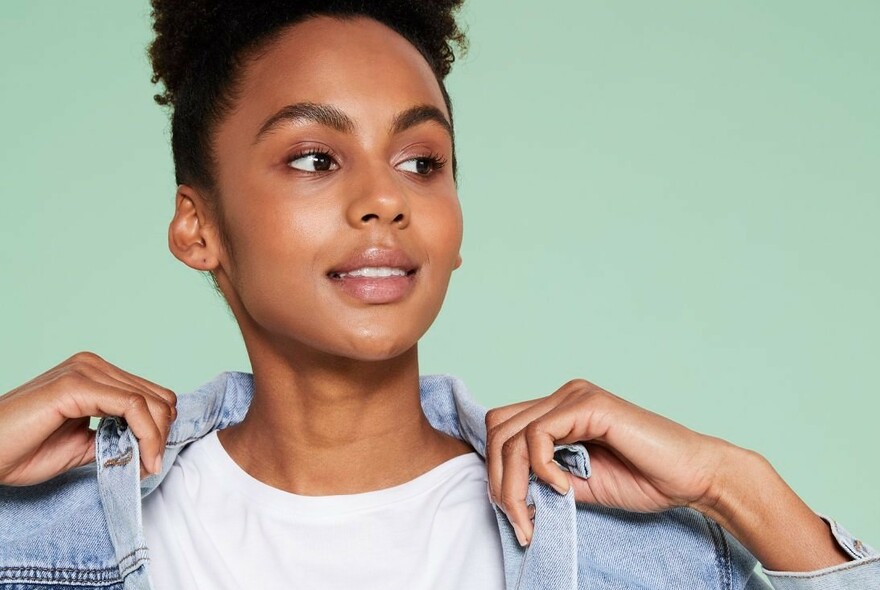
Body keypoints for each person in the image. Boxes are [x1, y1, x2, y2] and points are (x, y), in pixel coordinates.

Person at [0, 2, 877, 589]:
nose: (387, 198)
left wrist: (740, 486)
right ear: (199, 227)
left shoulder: (628, 550)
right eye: (315, 158)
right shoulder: (43, 538)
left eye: (421, 162)